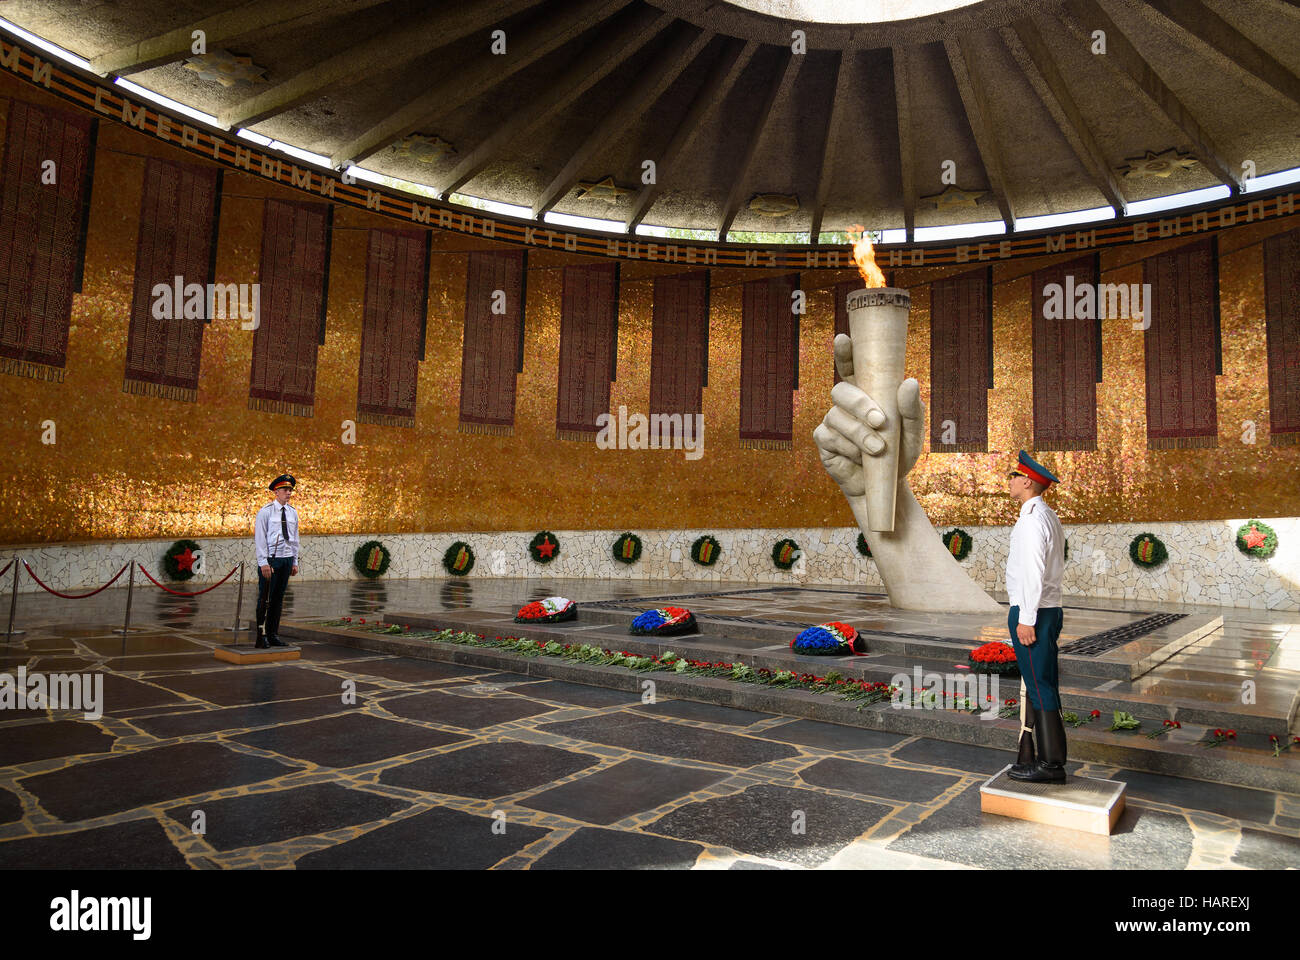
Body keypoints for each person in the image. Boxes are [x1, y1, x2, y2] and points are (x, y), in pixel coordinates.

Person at [1005, 450, 1067, 783]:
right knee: (1042, 684)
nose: (1010, 481)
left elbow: (1032, 572)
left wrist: (1026, 618)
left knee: (1040, 686)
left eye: (1013, 476)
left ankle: (1051, 765)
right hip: (1047, 609)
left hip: (1035, 612)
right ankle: (1042, 758)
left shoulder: (1031, 519)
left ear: (1027, 481)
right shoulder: (1047, 515)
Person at [254, 474, 299, 649]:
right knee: (265, 598)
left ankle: (273, 634)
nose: (288, 493)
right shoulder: (266, 512)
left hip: (286, 559)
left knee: (278, 599)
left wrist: (294, 561)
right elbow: (260, 538)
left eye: (290, 490)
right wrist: (263, 562)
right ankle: (261, 634)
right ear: (276, 491)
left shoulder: (292, 512)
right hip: (271, 561)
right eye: (285, 490)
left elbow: (294, 538)